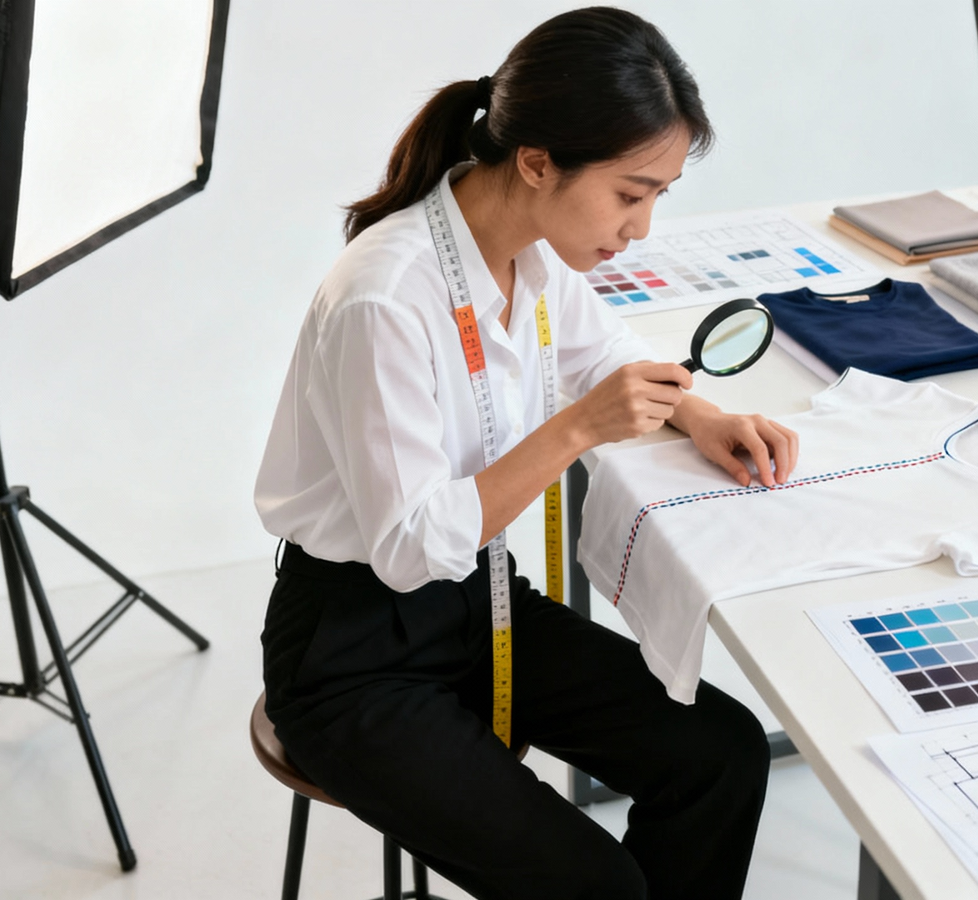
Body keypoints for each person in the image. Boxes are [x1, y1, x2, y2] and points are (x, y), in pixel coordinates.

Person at [255, 8, 798, 898]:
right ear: (539, 162)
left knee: (722, 755)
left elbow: (603, 352)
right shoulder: (385, 298)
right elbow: (411, 547)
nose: (644, 226)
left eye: (659, 194)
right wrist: (578, 429)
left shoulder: (532, 256)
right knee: (599, 886)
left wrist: (696, 414)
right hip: (354, 654)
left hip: (478, 602)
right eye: (632, 193)